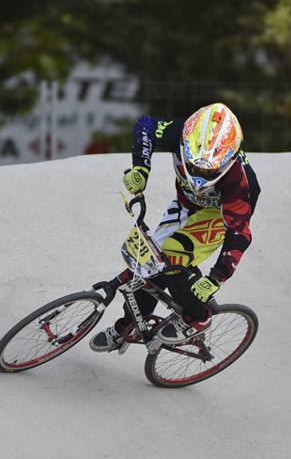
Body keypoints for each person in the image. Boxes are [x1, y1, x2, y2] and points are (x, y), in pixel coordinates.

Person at [89, 103, 260, 351]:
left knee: (172, 253)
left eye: (209, 169)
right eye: (194, 164)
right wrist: (141, 167)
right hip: (186, 203)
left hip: (218, 214)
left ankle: (197, 318)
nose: (200, 172)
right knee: (148, 263)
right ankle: (131, 323)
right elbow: (144, 126)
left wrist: (216, 278)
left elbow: (239, 234)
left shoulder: (240, 182)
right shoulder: (179, 132)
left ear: (229, 160)